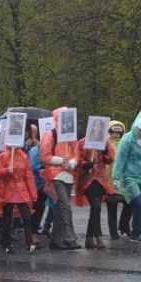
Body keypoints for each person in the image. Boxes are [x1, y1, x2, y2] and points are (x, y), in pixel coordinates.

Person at [111, 111, 141, 243]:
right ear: (136, 127)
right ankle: (137, 232)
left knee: (138, 204)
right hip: (129, 176)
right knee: (137, 203)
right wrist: (116, 177)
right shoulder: (127, 139)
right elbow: (121, 159)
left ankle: (130, 228)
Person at [40, 107, 81, 251]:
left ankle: (56, 240)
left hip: (69, 174)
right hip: (55, 174)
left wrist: (72, 162)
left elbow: (76, 154)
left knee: (59, 207)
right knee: (65, 206)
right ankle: (69, 238)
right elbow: (44, 156)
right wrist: (60, 160)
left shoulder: (72, 135)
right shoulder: (50, 134)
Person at [0, 136, 38, 254]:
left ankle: (29, 243)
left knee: (26, 216)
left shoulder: (23, 156)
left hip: (21, 190)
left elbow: (28, 176)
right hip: (8, 190)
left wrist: (33, 193)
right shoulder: (2, 156)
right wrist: (6, 170)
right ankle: (6, 244)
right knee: (7, 218)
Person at [75, 135, 114, 249]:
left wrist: (106, 151)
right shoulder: (82, 142)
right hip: (87, 180)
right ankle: (98, 237)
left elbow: (110, 159)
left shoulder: (104, 143)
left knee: (95, 208)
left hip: (100, 180)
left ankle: (88, 238)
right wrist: (85, 164)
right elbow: (78, 158)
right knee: (96, 207)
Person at [104, 121, 131, 239]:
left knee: (130, 202)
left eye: (118, 132)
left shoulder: (125, 143)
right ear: (110, 132)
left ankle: (124, 225)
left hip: (123, 179)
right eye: (113, 132)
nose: (116, 134)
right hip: (108, 179)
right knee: (111, 206)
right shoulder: (105, 143)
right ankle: (113, 232)